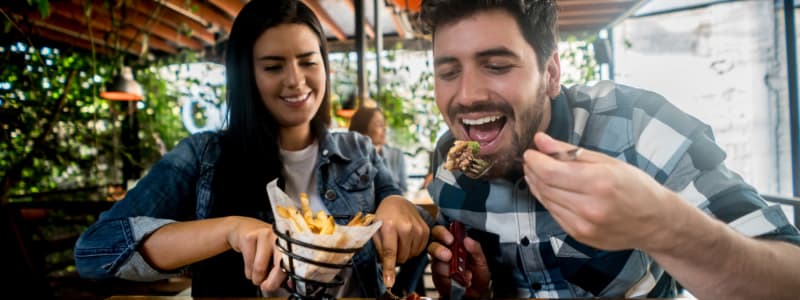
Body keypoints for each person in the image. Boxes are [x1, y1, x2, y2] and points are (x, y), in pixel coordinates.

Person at [420, 0, 800, 299]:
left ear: (551, 74)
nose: (467, 95)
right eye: (449, 72)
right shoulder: (448, 164)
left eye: (498, 66)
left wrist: (662, 224)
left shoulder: (637, 127)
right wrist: (477, 291)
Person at [73, 0, 431, 297]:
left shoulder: (358, 151)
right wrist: (228, 231)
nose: (296, 80)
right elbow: (94, 251)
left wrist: (397, 202)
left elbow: (395, 206)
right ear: (247, 75)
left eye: (308, 61)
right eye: (274, 66)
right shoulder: (205, 155)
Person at [349, 106, 408, 193]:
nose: (385, 129)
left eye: (384, 124)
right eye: (379, 124)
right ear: (363, 128)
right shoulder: (349, 157)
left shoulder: (396, 155)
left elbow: (404, 191)